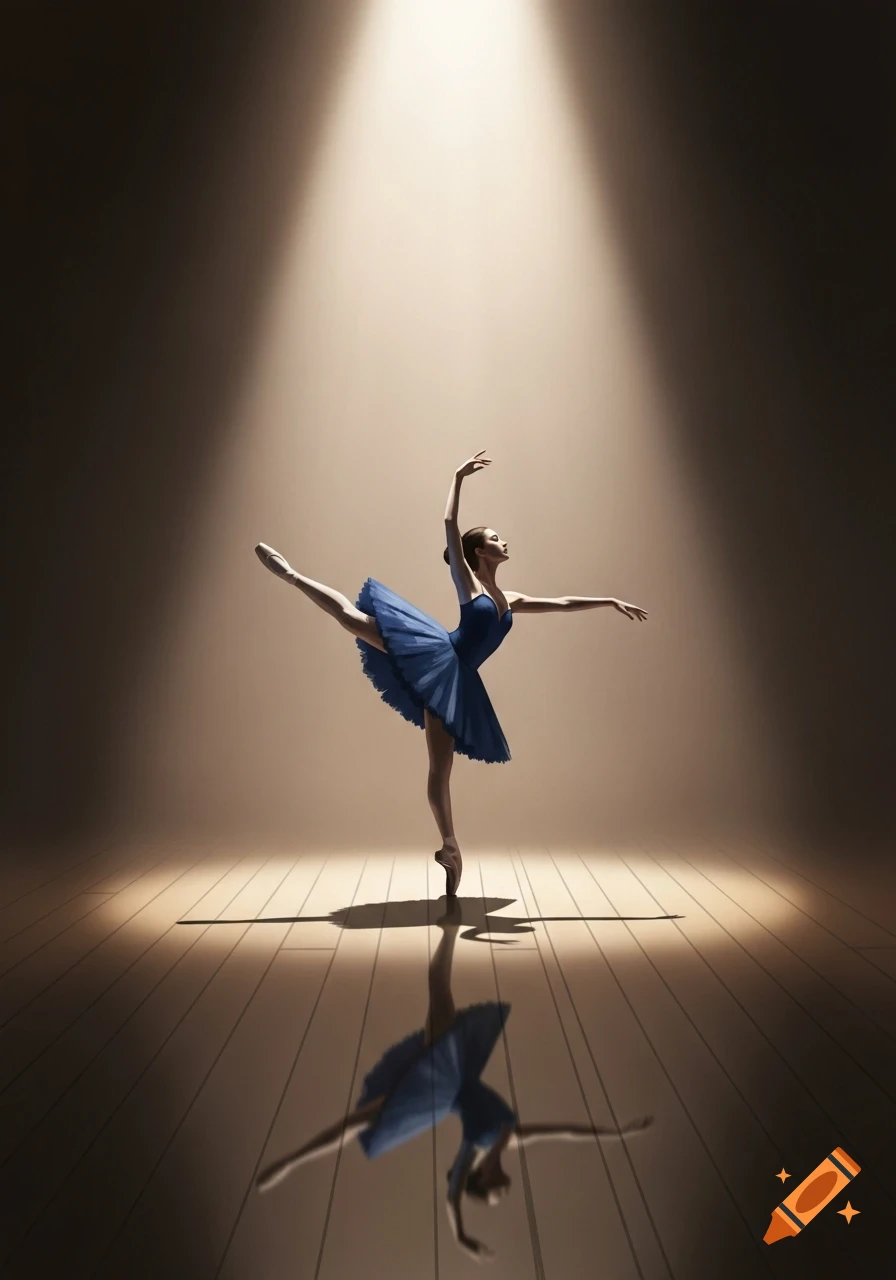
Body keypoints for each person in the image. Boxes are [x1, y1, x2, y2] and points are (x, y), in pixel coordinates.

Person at [256, 452, 647, 895]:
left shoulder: (510, 598)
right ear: (480, 552)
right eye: (496, 538)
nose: (505, 541)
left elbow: (560, 603)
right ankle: (290, 575)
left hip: (459, 683)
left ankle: (450, 848)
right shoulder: (470, 583)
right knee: (350, 619)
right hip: (437, 656)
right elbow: (449, 525)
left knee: (440, 770)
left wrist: (609, 601)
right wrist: (457, 478)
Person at [256, 900, 653, 1261]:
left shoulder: (475, 1149)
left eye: (494, 1195)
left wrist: (461, 1237)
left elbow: (451, 1198)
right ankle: (448, 931)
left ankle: (288, 1163)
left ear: (481, 1177)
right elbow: (565, 1132)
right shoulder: (508, 1138)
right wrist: (615, 1133)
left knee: (360, 1120)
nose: (502, 1193)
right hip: (453, 1076)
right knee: (437, 997)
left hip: (442, 1087)